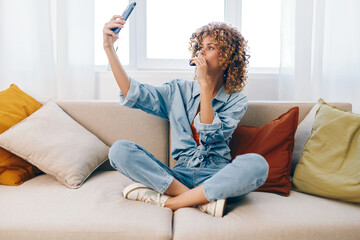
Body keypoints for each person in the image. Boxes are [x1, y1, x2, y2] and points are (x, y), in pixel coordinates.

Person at [103, 16, 269, 217]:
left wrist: (205, 85)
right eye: (200, 47)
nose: (201, 51)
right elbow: (133, 92)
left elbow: (210, 137)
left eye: (210, 47)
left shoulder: (237, 101)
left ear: (227, 57)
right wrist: (109, 48)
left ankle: (172, 203)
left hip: (217, 175)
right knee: (119, 150)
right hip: (177, 177)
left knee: (257, 165)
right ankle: (200, 201)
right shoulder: (177, 91)